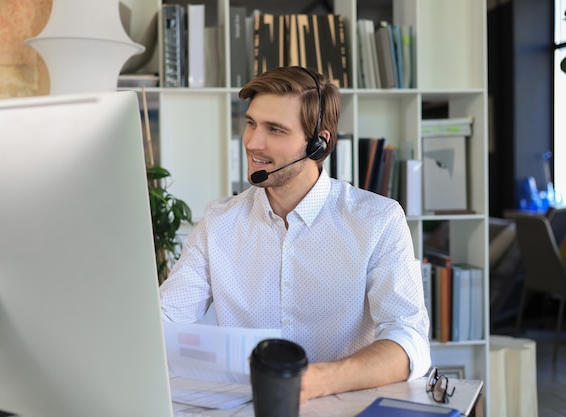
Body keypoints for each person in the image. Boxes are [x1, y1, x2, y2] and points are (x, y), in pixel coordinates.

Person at [159, 66, 431, 402]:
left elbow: (409, 340)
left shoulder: (377, 220)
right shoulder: (218, 223)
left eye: (275, 130)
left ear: (319, 144)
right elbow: (164, 318)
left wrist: (313, 380)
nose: (252, 143)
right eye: (251, 123)